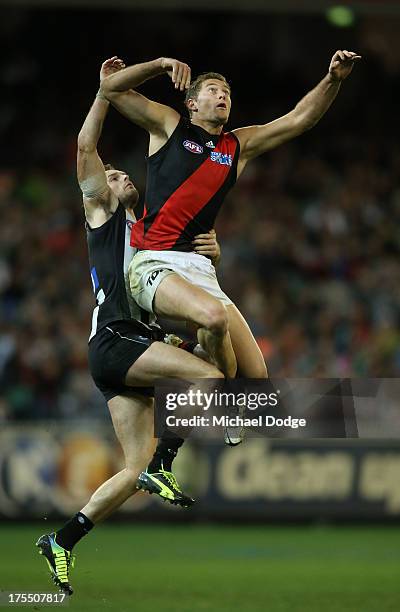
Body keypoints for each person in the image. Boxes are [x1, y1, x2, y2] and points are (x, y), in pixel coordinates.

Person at [36, 57, 224, 597]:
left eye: (123, 174)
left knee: (131, 472)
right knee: (211, 378)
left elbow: (186, 275)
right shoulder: (103, 213)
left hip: (122, 349)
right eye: (113, 175)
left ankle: (63, 540)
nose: (118, 176)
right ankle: (168, 461)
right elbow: (85, 149)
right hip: (117, 339)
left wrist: (211, 247)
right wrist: (104, 91)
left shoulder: (151, 235)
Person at [100, 50, 361, 387]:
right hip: (155, 263)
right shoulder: (169, 126)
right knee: (213, 320)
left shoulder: (238, 145)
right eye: (212, 90)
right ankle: (196, 375)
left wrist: (332, 80)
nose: (222, 96)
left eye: (226, 93)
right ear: (192, 104)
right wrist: (159, 65)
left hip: (201, 270)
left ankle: (203, 369)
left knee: (255, 377)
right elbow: (112, 90)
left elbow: (300, 119)